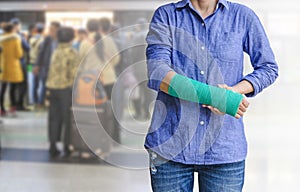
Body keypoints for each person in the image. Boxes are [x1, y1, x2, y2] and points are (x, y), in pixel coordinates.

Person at [145, 0, 279, 191]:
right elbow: (158, 72)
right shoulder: (166, 15)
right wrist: (215, 97)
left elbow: (268, 68)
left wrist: (232, 92)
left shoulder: (243, 16)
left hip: (224, 149)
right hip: (170, 146)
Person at [46, 26, 79, 157]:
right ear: (71, 38)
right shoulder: (72, 52)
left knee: (53, 118)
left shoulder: (55, 51)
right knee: (67, 118)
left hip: (52, 88)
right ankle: (67, 145)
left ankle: (52, 145)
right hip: (66, 89)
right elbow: (74, 73)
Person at [33, 21, 60, 110]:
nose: (51, 31)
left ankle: (54, 103)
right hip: (46, 66)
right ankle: (40, 103)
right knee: (44, 85)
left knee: (55, 86)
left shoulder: (61, 39)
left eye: (53, 30)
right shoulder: (47, 39)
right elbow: (41, 53)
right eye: (50, 29)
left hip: (57, 67)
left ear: (58, 30)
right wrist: (37, 65)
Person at [0, 23, 23, 117]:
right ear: (12, 29)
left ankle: (2, 109)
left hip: (2, 65)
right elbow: (19, 54)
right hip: (13, 66)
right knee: (13, 89)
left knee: (3, 88)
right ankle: (12, 108)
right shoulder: (15, 39)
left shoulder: (1, 39)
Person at [10, 18, 30, 111]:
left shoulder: (4, 36)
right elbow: (27, 48)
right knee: (23, 84)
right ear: (17, 26)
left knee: (12, 85)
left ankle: (12, 105)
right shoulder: (19, 36)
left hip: (9, 64)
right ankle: (19, 105)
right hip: (19, 63)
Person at [29, 23, 44, 108]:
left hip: (31, 63)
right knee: (41, 83)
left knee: (33, 82)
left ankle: (33, 100)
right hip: (38, 64)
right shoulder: (42, 40)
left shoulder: (31, 39)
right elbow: (41, 54)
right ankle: (39, 101)